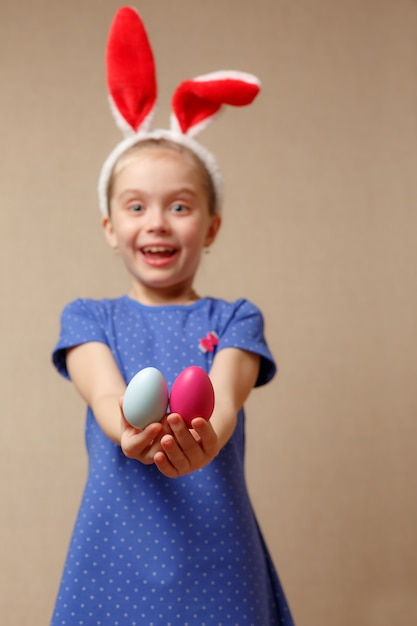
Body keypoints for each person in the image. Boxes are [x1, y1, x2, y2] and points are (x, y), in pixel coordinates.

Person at [51, 7, 295, 625]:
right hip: (114, 553)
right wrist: (130, 431)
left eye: (180, 206)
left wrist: (205, 439)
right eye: (136, 206)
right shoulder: (88, 318)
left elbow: (224, 399)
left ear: (210, 228)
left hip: (218, 551)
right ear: (111, 228)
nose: (157, 222)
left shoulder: (237, 317)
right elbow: (109, 399)